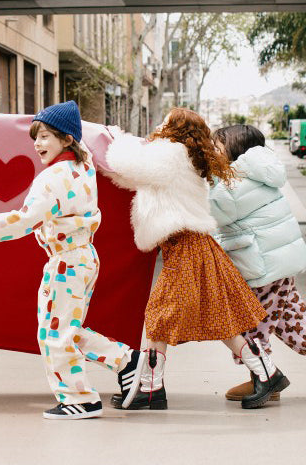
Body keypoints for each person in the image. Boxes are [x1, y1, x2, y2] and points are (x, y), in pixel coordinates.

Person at [0, 101, 146, 420]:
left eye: (45, 136)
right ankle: (125, 360)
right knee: (66, 329)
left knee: (54, 333)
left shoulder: (54, 177)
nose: (37, 144)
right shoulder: (82, 165)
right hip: (83, 258)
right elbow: (82, 139)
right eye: (35, 136)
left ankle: (81, 398)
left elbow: (25, 219)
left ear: (66, 139)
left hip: (66, 263)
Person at [105, 108, 289, 410]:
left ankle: (152, 388)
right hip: (192, 245)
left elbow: (129, 165)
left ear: (176, 128)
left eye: (165, 119)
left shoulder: (171, 152)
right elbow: (132, 177)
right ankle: (267, 372)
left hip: (185, 246)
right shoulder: (181, 156)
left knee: (159, 315)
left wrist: (116, 138)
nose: (160, 122)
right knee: (219, 317)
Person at [210, 124, 306, 402]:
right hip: (275, 265)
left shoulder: (237, 182)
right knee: (294, 326)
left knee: (249, 326)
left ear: (234, 149)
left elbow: (212, 210)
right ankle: (264, 378)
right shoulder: (254, 173)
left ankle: (262, 380)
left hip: (263, 268)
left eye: (217, 148)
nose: (212, 153)